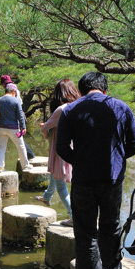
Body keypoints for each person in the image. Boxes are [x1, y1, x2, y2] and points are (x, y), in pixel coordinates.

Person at [56, 71, 135, 269]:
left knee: (85, 232)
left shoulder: (71, 110)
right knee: (111, 223)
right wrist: (117, 159)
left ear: (82, 90)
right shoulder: (121, 107)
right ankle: (112, 268)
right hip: (112, 178)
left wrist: (80, 160)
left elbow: (61, 147)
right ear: (104, 88)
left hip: (84, 179)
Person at [35, 79, 81, 226]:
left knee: (61, 187)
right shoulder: (78, 107)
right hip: (73, 149)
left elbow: (44, 129)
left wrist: (46, 132)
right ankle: (47, 197)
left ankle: (73, 217)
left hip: (59, 149)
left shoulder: (61, 109)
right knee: (56, 174)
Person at [0, 75, 35, 159]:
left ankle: (30, 154)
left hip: (11, 115)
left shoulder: (10, 88)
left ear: (4, 83)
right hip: (14, 114)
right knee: (13, 136)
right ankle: (29, 154)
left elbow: (13, 103)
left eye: (2, 84)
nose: (2, 86)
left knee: (16, 137)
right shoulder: (14, 87)